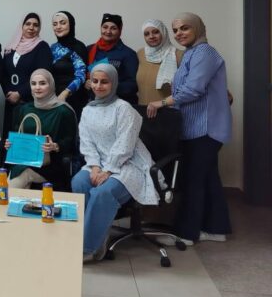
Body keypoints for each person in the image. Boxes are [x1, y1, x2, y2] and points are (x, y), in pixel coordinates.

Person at [146, 13, 232, 245]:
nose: (179, 33)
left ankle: (186, 234)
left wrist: (161, 103)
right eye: (175, 30)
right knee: (208, 178)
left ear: (198, 28)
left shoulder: (205, 52)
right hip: (197, 127)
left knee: (193, 180)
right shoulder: (191, 53)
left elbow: (193, 89)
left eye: (185, 28)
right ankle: (216, 229)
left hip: (205, 128)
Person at [72, 63, 160, 262]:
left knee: (103, 192)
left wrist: (108, 171)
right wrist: (95, 166)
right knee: (79, 182)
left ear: (114, 83)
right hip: (98, 163)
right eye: (95, 81)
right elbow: (86, 143)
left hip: (128, 163)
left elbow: (125, 145)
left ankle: (88, 249)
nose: (98, 86)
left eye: (104, 82)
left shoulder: (124, 109)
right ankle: (99, 236)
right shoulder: (87, 110)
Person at [5, 69, 77, 191]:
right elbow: (18, 134)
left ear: (51, 85)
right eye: (33, 84)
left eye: (42, 83)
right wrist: (10, 144)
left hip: (50, 164)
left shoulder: (63, 111)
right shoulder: (24, 109)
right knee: (18, 181)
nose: (37, 87)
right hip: (24, 160)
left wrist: (55, 146)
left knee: (15, 181)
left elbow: (70, 142)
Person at [1, 13, 52, 135]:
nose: (31, 27)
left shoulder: (42, 47)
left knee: (27, 136)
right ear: (22, 26)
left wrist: (20, 94)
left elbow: (42, 75)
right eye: (28, 24)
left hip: (31, 101)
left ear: (39, 28)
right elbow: (2, 73)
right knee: (10, 138)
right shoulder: (10, 48)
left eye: (35, 25)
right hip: (10, 101)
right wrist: (9, 93)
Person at [86, 13, 139, 104]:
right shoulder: (90, 49)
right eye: (105, 27)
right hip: (94, 103)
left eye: (113, 28)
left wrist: (108, 87)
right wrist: (86, 82)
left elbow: (133, 85)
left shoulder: (128, 54)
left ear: (120, 30)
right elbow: (82, 73)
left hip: (118, 104)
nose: (108, 31)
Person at [49, 11, 88, 115]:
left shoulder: (79, 47)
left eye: (62, 23)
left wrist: (65, 93)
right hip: (53, 99)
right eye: (55, 24)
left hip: (73, 98)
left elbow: (81, 75)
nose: (58, 27)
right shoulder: (52, 48)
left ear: (71, 24)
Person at [136, 19, 183, 106]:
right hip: (142, 109)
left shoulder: (179, 55)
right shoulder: (140, 54)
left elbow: (185, 89)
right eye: (146, 34)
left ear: (163, 32)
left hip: (167, 110)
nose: (151, 36)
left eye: (156, 32)